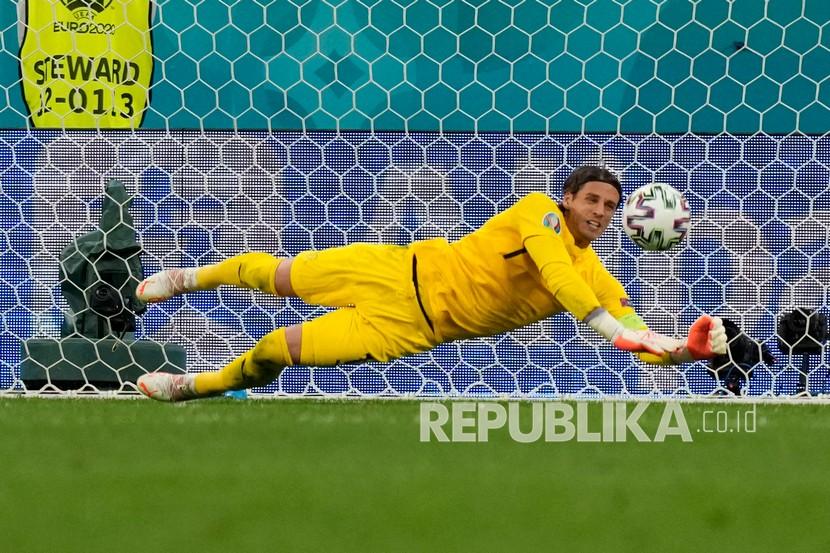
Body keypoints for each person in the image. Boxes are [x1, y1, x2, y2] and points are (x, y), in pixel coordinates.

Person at [135, 165, 727, 402]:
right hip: (398, 267)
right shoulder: (537, 211)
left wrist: (677, 350)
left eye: (611, 205)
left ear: (624, 219)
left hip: (408, 326)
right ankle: (191, 277)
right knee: (280, 274)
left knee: (275, 350)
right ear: (569, 198)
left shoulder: (597, 276)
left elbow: (634, 330)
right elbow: (553, 270)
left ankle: (198, 387)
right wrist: (608, 330)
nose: (599, 210)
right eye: (592, 199)